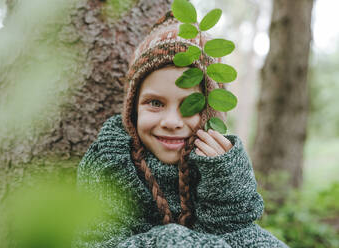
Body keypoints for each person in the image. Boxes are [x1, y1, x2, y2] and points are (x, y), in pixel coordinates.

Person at [73, 11, 288, 248]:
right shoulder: (109, 162)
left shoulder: (223, 164)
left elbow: (236, 232)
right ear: (133, 109)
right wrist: (172, 241)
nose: (172, 122)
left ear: (211, 112)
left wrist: (222, 182)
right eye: (155, 103)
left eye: (189, 105)